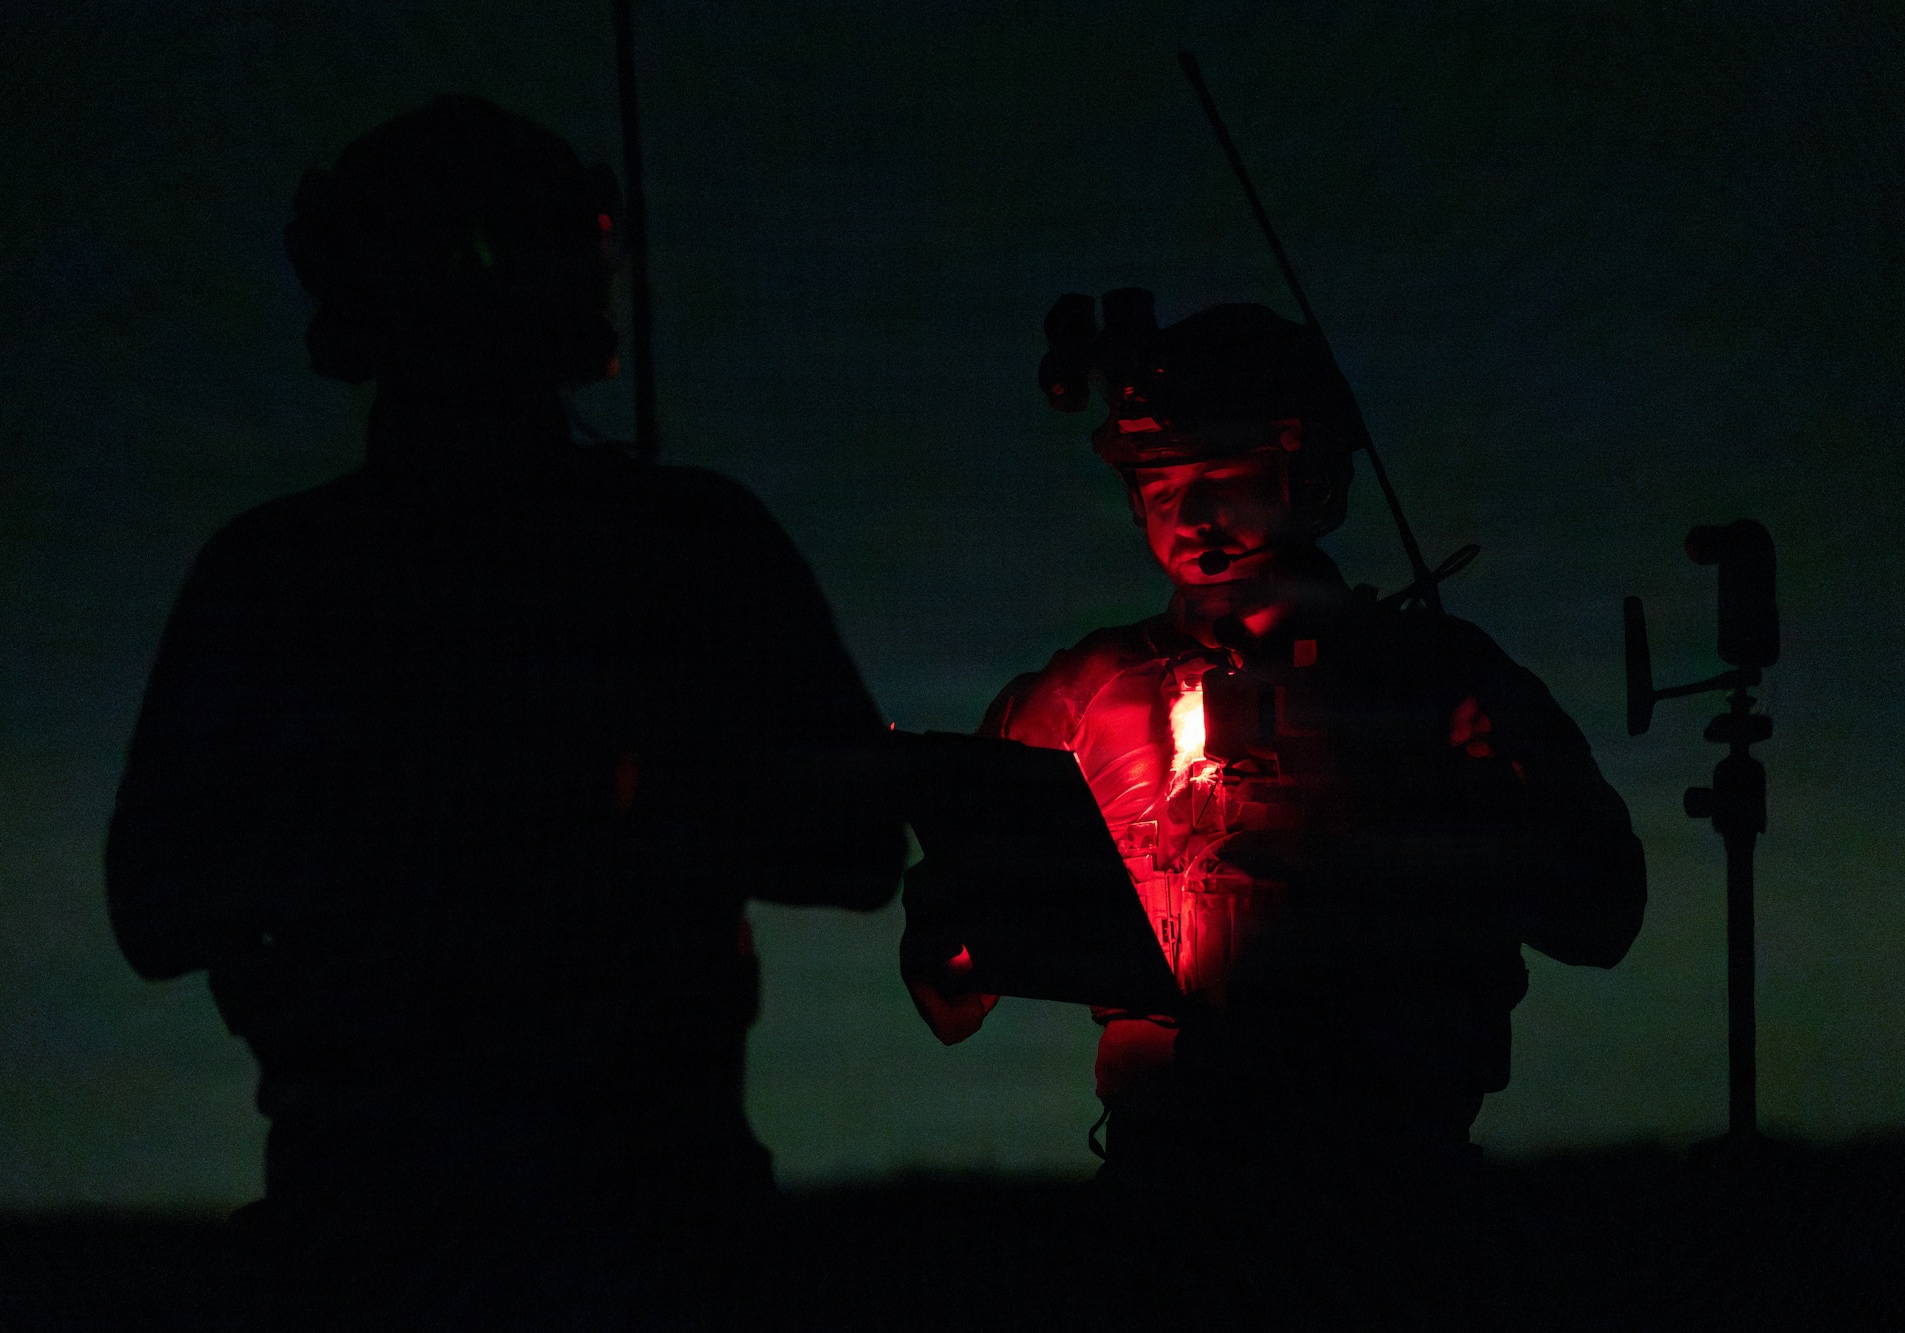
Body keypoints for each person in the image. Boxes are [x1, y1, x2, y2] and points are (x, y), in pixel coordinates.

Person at [105, 95, 904, 1329]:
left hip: (535, 1210)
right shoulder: (685, 539)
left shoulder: (277, 570)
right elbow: (158, 900)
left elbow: (851, 841)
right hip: (482, 1212)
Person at [900, 289, 1646, 1325]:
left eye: (1227, 477)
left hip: (1386, 1204)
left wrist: (1471, 827)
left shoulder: (1436, 683)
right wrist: (961, 926)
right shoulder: (1073, 701)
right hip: (1167, 1204)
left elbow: (1601, 910)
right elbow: (949, 976)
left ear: (1307, 476)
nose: (1193, 515)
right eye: (1162, 486)